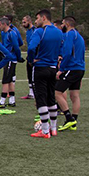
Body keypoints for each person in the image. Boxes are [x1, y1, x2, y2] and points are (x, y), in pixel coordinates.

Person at [27, 9, 63, 138]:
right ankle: (53, 128)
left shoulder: (40, 31)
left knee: (41, 98)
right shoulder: (59, 32)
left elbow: (31, 48)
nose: (35, 21)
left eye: (37, 18)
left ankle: (45, 130)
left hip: (40, 68)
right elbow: (62, 49)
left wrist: (31, 60)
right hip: (53, 68)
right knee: (51, 98)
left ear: (43, 18)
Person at [56, 16, 85, 132]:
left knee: (57, 93)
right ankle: (74, 123)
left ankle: (69, 118)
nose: (61, 26)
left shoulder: (69, 35)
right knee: (74, 95)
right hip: (80, 69)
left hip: (72, 68)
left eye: (62, 24)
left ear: (67, 24)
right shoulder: (79, 36)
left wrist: (61, 69)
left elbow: (67, 53)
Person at [0, 17, 21, 108]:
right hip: (6, 58)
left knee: (5, 80)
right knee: (9, 80)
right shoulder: (4, 33)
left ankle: (2, 102)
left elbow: (17, 47)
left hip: (11, 59)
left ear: (4, 24)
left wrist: (18, 57)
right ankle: (12, 100)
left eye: (0, 24)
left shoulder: (12, 34)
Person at [21, 15, 36, 99]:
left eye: (24, 22)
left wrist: (33, 58)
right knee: (29, 74)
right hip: (29, 56)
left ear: (29, 22)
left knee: (34, 75)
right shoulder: (28, 31)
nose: (23, 24)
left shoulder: (35, 31)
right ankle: (31, 93)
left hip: (34, 57)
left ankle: (35, 92)